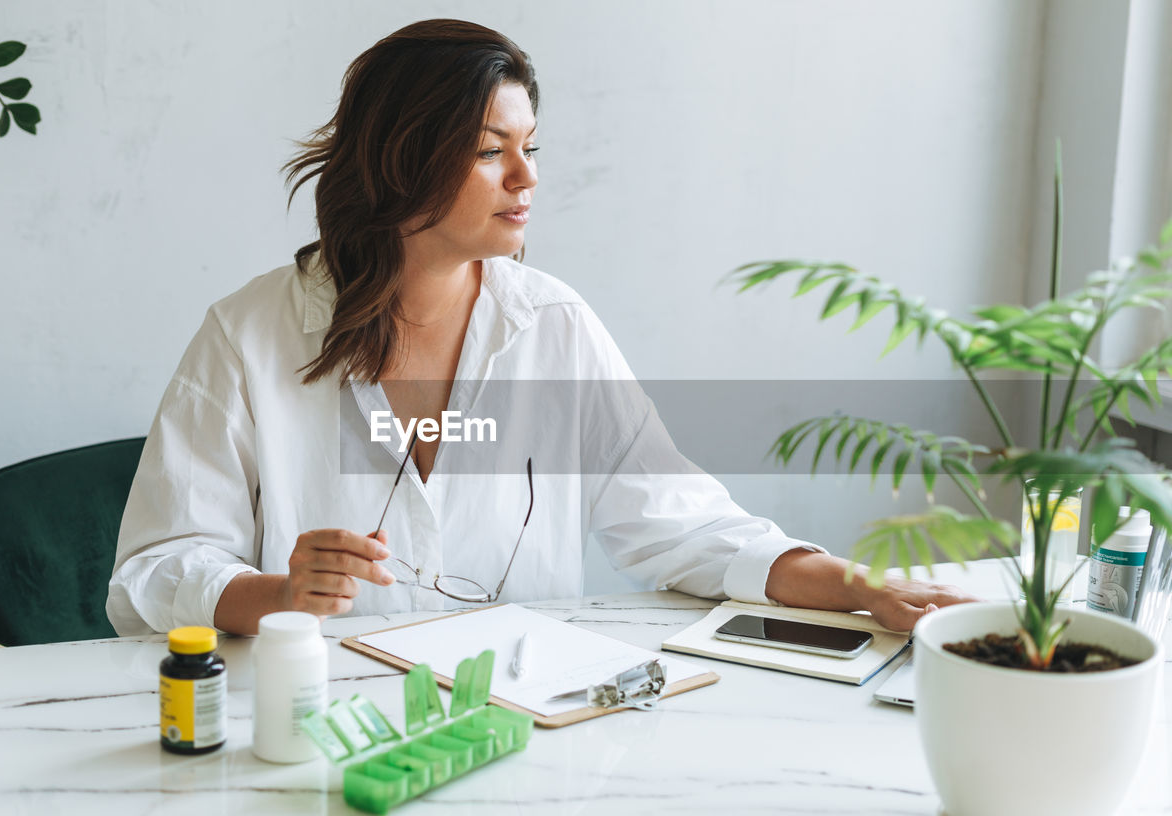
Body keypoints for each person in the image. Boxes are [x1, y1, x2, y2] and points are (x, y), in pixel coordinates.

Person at [106, 19, 975, 638]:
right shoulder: (247, 336)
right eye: (490, 150)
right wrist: (279, 592)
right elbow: (154, 566)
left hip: (514, 727)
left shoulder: (554, 326)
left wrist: (864, 588)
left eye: (531, 145)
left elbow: (682, 523)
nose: (526, 177)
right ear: (401, 158)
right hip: (322, 729)